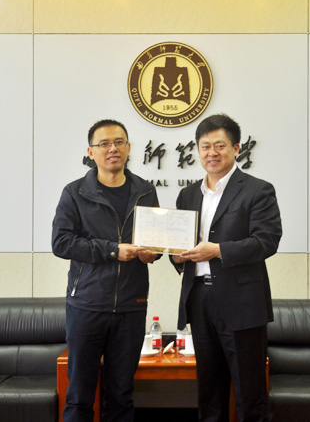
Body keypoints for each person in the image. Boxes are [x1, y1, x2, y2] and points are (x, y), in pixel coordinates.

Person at [172, 113, 282, 422]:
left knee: (250, 395)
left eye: (219, 145)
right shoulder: (188, 194)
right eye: (205, 146)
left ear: (236, 148)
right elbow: (180, 243)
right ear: (197, 150)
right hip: (199, 300)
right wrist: (176, 256)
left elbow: (267, 241)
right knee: (209, 393)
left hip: (242, 304)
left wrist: (218, 251)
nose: (212, 153)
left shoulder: (257, 190)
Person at [52, 119, 159, 422]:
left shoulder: (145, 191)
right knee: (79, 395)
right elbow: (61, 243)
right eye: (104, 144)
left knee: (122, 395)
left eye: (119, 142)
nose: (113, 149)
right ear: (91, 151)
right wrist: (112, 250)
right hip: (86, 305)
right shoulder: (75, 192)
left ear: (129, 148)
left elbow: (156, 240)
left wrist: (153, 253)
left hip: (131, 306)